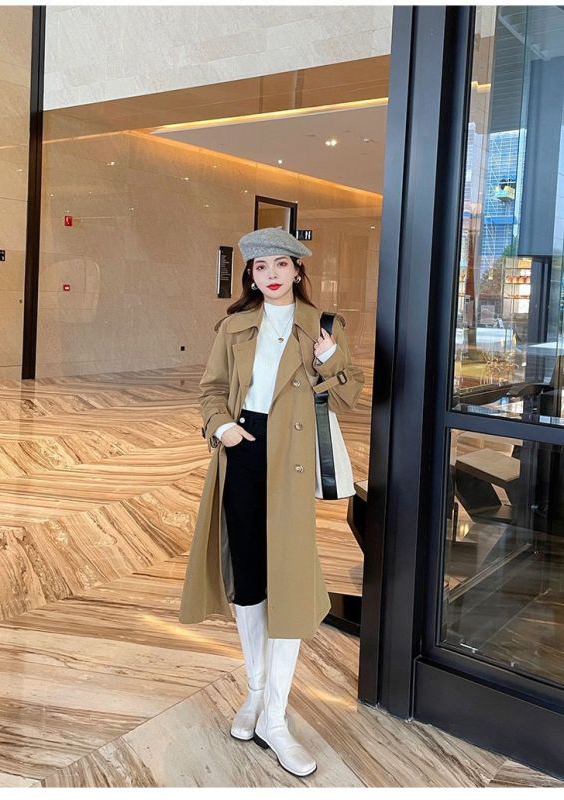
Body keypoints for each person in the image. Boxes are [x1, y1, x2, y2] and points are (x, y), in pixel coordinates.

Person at [178, 226, 365, 778]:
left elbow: (349, 395)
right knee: (249, 581)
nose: (272, 275)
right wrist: (223, 428)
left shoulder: (323, 325)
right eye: (261, 267)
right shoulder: (234, 325)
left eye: (281, 264)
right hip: (243, 450)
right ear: (251, 275)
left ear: (298, 270)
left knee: (287, 582)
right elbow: (211, 389)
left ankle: (276, 720)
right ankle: (256, 694)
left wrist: (329, 359)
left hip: (293, 456)